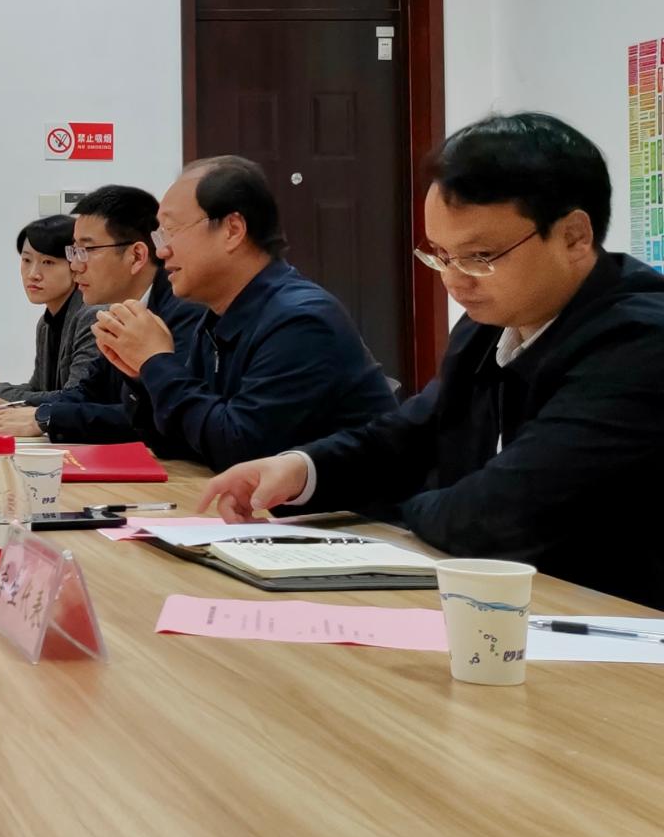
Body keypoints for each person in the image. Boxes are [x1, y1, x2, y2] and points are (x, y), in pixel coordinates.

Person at [201, 114, 664, 608]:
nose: (454, 280)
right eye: (441, 254)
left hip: (615, 622)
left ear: (573, 236)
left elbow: (502, 514)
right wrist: (301, 468)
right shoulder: (490, 324)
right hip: (509, 604)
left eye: (480, 256)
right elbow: (409, 436)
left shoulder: (641, 342)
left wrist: (397, 513)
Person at [85, 156, 397, 468]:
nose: (162, 250)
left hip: (354, 501)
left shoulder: (300, 321)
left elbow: (242, 449)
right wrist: (142, 375)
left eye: (171, 230)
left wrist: (157, 362)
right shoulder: (216, 317)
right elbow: (177, 441)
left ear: (232, 230)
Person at [0, 184, 206, 444]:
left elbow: (162, 417)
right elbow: (87, 392)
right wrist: (29, 411)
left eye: (86, 251)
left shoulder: (185, 311)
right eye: (73, 251)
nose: (75, 265)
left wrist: (48, 417)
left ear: (136, 256)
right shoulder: (121, 311)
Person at [0, 215, 100, 407]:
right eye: (26, 260)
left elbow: (75, 399)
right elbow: (39, 390)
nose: (33, 274)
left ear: (75, 266)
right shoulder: (46, 324)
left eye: (48, 262)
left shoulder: (92, 316)